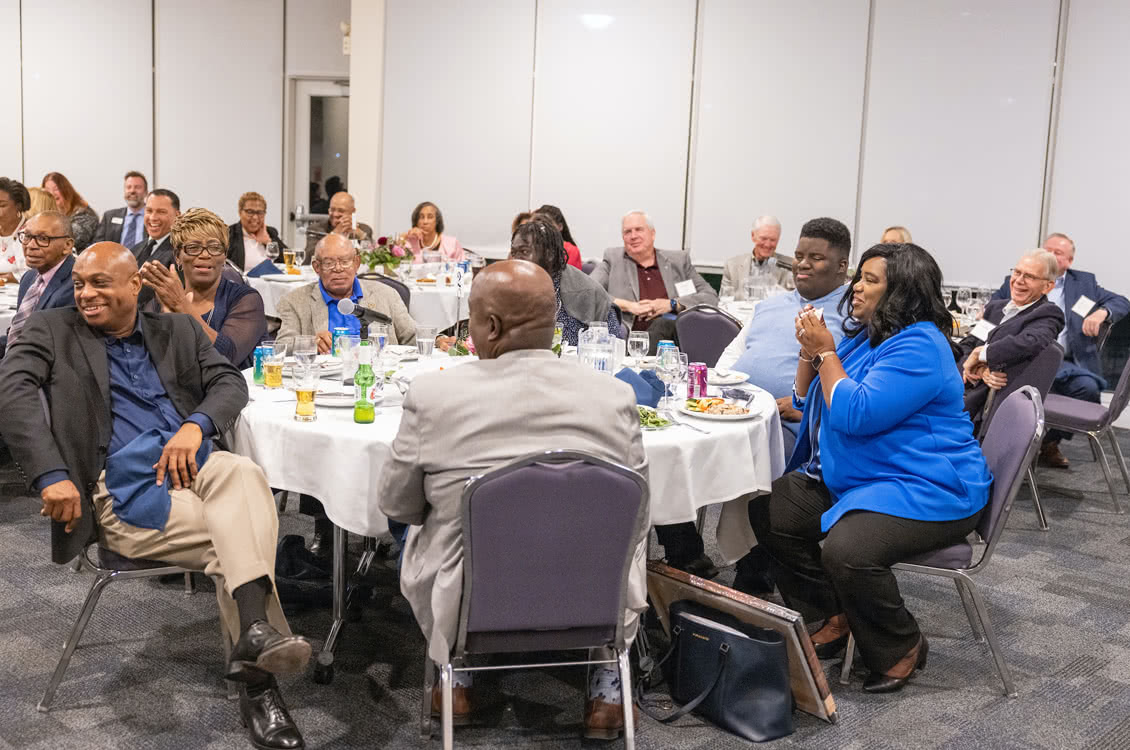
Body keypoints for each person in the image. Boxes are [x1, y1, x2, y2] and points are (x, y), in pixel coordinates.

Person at [0, 242, 310, 749]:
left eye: (100, 282)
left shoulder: (178, 329)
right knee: (241, 542)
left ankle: (254, 637)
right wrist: (50, 474)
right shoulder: (52, 330)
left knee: (244, 473)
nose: (85, 293)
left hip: (197, 467)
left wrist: (196, 424)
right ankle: (260, 684)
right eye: (79, 282)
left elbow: (229, 382)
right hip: (124, 488)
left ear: (133, 286)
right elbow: (11, 392)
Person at [379, 259, 648, 738]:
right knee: (627, 528)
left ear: (492, 325)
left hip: (471, 596)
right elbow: (640, 515)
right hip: (591, 590)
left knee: (420, 523)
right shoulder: (614, 395)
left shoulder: (434, 394)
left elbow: (398, 506)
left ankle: (455, 676)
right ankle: (606, 687)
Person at [747, 242, 991, 694]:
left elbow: (856, 413)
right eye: (859, 277)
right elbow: (807, 400)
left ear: (902, 291)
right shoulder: (871, 336)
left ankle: (901, 644)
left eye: (870, 280)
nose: (856, 287)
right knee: (771, 506)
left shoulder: (920, 345)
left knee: (847, 550)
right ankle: (833, 613)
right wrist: (810, 352)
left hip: (930, 486)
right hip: (868, 477)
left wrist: (826, 354)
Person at [989, 232, 1129, 468]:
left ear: (1069, 261)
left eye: (1058, 253)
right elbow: (991, 311)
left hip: (1068, 361)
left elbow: (1122, 302)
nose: (1051, 256)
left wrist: (1102, 312)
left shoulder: (1084, 283)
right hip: (1025, 356)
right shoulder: (1016, 281)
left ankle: (1047, 443)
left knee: (1088, 388)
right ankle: (1011, 446)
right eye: (1047, 250)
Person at [726, 217, 853, 439]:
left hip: (787, 427)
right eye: (799, 256)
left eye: (816, 258)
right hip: (730, 412)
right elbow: (729, 359)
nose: (803, 264)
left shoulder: (853, 315)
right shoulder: (766, 306)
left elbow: (856, 392)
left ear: (841, 266)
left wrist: (811, 412)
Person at [140, 208, 267, 369]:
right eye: (193, 247)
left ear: (224, 256)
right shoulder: (159, 302)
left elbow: (226, 357)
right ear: (178, 256)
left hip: (229, 391)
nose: (205, 255)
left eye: (214, 247)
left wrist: (182, 306)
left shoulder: (246, 299)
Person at [958, 250, 1064, 433]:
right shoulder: (995, 308)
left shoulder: (1047, 314)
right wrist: (980, 369)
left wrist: (982, 353)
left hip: (986, 409)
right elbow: (967, 345)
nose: (1019, 280)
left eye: (1029, 276)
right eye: (1017, 272)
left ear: (1047, 287)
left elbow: (1031, 341)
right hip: (965, 390)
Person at [591, 210, 717, 354]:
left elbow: (710, 296)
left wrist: (671, 304)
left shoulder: (678, 261)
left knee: (662, 324)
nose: (633, 236)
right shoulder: (613, 259)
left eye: (639, 230)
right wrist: (629, 306)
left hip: (671, 336)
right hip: (629, 332)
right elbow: (589, 290)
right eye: (627, 232)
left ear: (652, 234)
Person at [277, 233, 416, 353]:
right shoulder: (295, 302)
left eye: (345, 262)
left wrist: (438, 339)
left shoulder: (386, 294)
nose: (338, 269)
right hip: (324, 379)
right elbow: (280, 348)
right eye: (329, 263)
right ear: (316, 267)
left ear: (356, 263)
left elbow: (412, 335)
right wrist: (312, 343)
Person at [509, 219, 620, 344]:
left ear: (549, 254)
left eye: (524, 252)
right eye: (513, 253)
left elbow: (614, 347)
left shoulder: (588, 292)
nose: (516, 260)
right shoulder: (506, 288)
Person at [0, 211, 77, 355]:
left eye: (43, 238)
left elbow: (52, 348)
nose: (30, 245)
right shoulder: (28, 278)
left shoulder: (76, 284)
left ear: (67, 245)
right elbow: (18, 335)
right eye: (27, 236)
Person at [131, 189, 181, 308]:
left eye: (161, 212)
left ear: (177, 216)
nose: (153, 217)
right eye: (149, 211)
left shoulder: (180, 253)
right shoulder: (135, 249)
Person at [720, 215, 793, 297]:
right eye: (763, 239)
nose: (767, 244)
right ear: (753, 236)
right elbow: (724, 300)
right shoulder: (732, 266)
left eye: (773, 240)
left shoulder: (790, 266)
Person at [227, 191, 288, 277]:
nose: (255, 217)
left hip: (270, 284)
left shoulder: (270, 232)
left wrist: (268, 242)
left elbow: (290, 261)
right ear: (240, 212)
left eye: (260, 213)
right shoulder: (229, 234)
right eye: (250, 212)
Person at [303, 191, 373, 260]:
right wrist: (334, 234)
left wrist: (361, 235)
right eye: (332, 210)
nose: (335, 214)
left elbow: (373, 257)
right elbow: (309, 257)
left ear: (353, 211)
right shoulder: (315, 229)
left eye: (341, 211)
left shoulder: (365, 229)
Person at [41, 172, 98, 252]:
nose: (52, 193)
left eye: (56, 189)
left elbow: (71, 240)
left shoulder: (84, 214)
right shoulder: (48, 214)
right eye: (47, 190)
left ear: (65, 190)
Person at [92, 171, 148, 247]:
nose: (132, 191)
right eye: (128, 187)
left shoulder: (153, 218)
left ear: (146, 192)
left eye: (137, 187)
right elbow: (97, 245)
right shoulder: (109, 217)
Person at [534, 204, 583, 269]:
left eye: (547, 223)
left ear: (559, 227)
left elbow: (564, 276)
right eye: (537, 224)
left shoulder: (570, 250)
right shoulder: (531, 247)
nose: (542, 228)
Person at [0, 177, 30, 282]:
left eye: (2, 205)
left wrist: (10, 277)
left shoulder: (32, 232)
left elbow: (35, 274)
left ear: (18, 206)